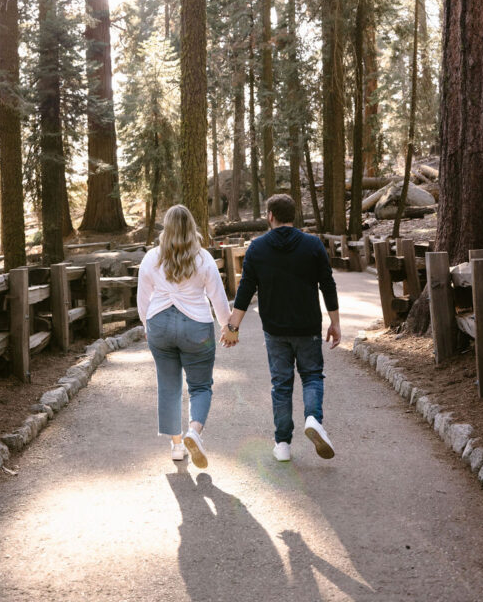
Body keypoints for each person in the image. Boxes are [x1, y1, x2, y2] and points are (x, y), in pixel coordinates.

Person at [221, 193, 341, 462]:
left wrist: (233, 327)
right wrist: (335, 322)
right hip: (308, 327)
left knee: (281, 385)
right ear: (293, 216)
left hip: (275, 330)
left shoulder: (257, 248)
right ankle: (313, 419)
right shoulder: (312, 245)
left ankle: (283, 444)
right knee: (311, 376)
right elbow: (328, 284)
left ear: (270, 216)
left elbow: (245, 291)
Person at [137, 204, 232, 469]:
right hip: (196, 327)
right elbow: (218, 297)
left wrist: (147, 325)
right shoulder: (203, 258)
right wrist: (227, 327)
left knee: (168, 385)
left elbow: (143, 298)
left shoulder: (151, 258)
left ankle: (177, 445)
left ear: (165, 229)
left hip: (160, 325)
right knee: (200, 386)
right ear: (192, 227)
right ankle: (194, 431)